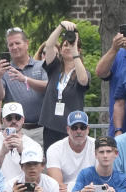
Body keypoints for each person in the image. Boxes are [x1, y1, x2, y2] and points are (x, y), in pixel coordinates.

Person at [39, 21, 91, 150]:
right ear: (61, 49)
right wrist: (60, 26)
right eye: (65, 45)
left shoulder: (82, 71)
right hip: (51, 125)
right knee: (51, 158)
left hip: (72, 127)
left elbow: (83, 81)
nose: (68, 47)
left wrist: (75, 52)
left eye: (71, 45)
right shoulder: (55, 67)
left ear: (79, 50)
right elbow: (49, 46)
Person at [0, 28, 48, 145]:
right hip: (16, 129)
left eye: (17, 43)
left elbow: (48, 87)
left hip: (41, 129)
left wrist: (26, 79)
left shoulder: (41, 65)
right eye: (10, 44)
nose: (14, 47)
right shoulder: (5, 71)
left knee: (40, 162)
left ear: (27, 44)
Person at [0, 102, 40, 183]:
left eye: (17, 117)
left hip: (23, 189)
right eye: (9, 118)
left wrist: (23, 152)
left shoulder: (33, 145)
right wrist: (2, 153)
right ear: (3, 120)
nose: (14, 121)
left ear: (23, 120)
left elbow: (37, 175)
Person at [45, 110, 96, 192]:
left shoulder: (97, 146)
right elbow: (57, 186)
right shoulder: (54, 149)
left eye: (82, 127)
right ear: (68, 129)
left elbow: (101, 180)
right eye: (74, 127)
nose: (79, 131)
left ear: (88, 129)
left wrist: (74, 191)